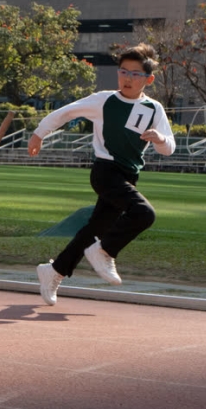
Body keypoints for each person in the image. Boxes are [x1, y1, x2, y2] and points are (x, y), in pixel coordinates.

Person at [27, 43, 175, 305]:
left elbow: (168, 149)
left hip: (129, 176)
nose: (127, 78)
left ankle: (54, 271)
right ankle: (105, 251)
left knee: (93, 230)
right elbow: (67, 111)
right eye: (123, 72)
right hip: (105, 172)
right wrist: (39, 133)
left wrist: (160, 138)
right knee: (144, 213)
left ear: (148, 79)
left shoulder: (154, 109)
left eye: (135, 74)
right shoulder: (104, 100)